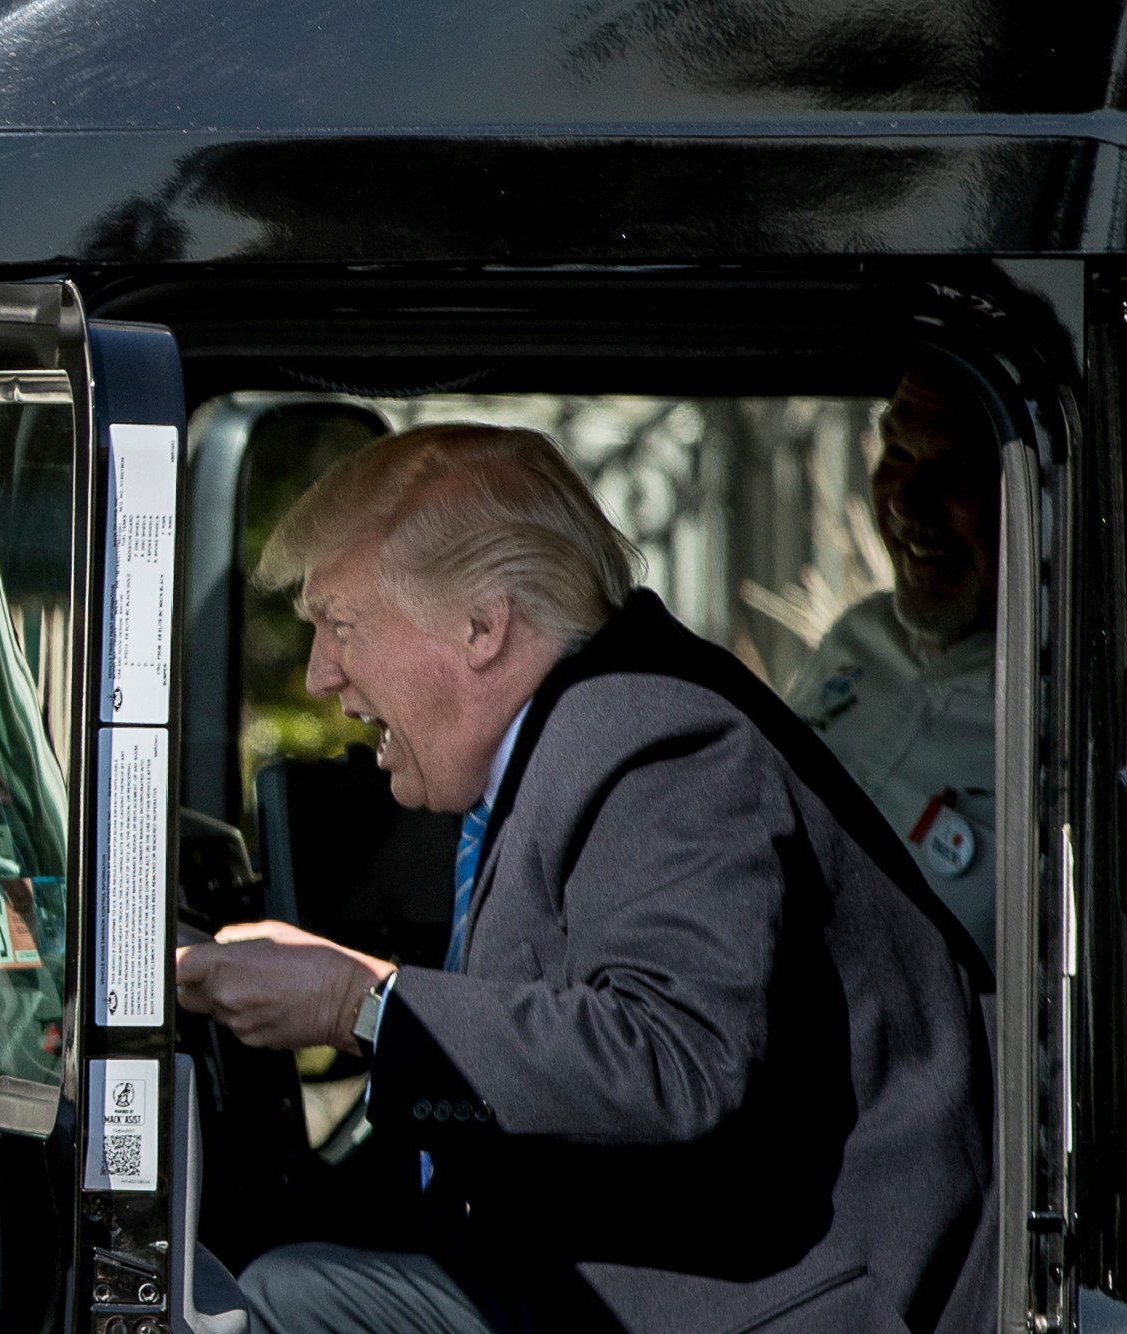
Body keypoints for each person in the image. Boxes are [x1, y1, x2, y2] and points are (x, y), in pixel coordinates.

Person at [176, 424, 994, 1334]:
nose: (322, 674)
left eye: (342, 625)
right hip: (620, 1267)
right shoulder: (584, 729)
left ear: (483, 627)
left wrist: (360, 1006)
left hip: (761, 1305)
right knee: (272, 1261)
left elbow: (677, 1058)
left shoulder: (655, 742)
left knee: (279, 1298)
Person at [784, 365, 1000, 968]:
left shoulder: (1067, 712)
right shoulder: (861, 634)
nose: (906, 499)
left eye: (956, 470)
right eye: (898, 452)